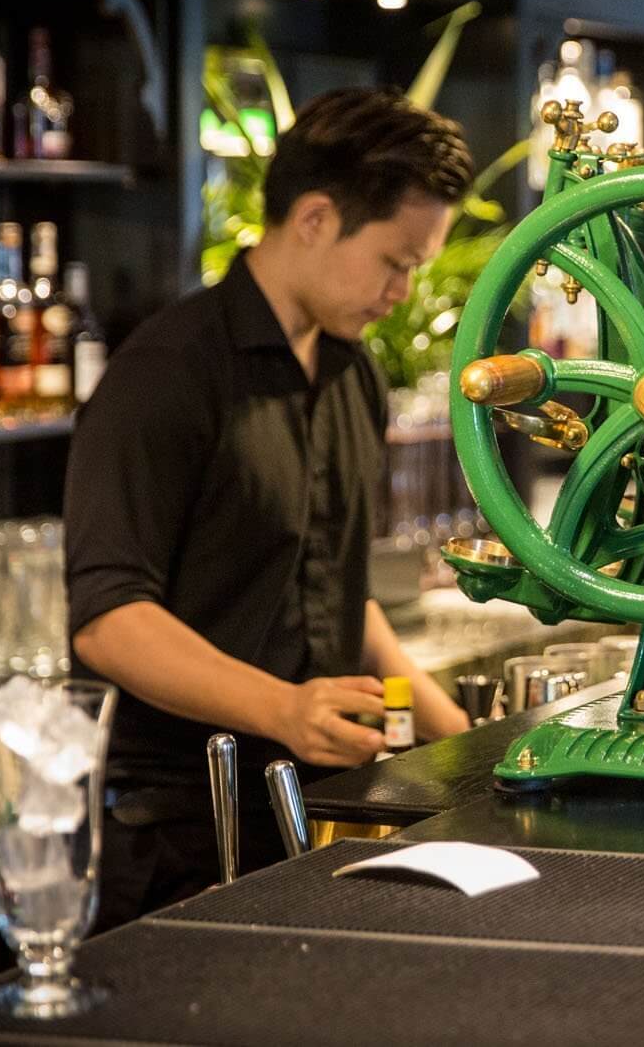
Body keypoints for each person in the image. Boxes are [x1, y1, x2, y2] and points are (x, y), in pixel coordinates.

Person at [65, 87, 473, 929]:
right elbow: (108, 617)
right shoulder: (168, 372)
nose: (404, 290)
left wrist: (466, 741)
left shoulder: (353, 373)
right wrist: (284, 709)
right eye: (397, 260)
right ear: (317, 218)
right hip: (177, 824)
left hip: (308, 806)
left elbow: (337, 596)